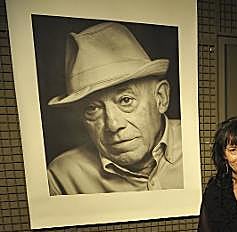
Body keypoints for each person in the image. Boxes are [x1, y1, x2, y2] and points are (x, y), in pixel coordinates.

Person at [45, 21, 182, 195]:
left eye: (126, 100)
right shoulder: (62, 178)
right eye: (92, 108)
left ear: (161, 98)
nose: (113, 125)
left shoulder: (199, 145)